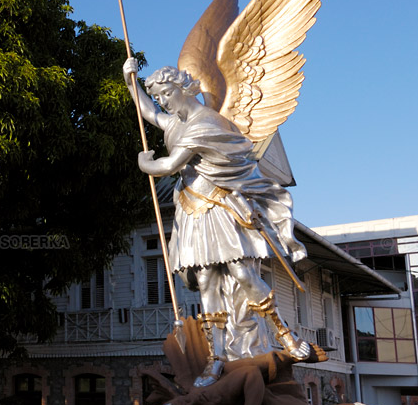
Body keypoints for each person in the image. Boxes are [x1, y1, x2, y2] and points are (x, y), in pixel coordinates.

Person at [123, 58, 315, 387]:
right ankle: (216, 359)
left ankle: (284, 333)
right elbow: (149, 115)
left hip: (220, 208)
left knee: (243, 273)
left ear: (179, 88)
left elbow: (170, 165)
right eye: (159, 98)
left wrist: (145, 165)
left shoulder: (203, 124)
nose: (163, 104)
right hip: (192, 210)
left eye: (166, 95)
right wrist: (131, 82)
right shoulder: (177, 122)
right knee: (208, 282)